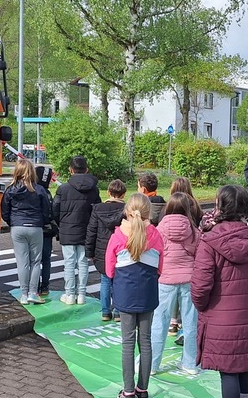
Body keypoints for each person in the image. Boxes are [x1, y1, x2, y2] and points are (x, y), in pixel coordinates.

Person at [191, 185, 248, 398]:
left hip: (218, 316)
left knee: (228, 371)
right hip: (246, 314)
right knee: (242, 366)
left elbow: (200, 285)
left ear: (220, 206)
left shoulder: (209, 240)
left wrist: (204, 307)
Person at [105, 193, 164, 398]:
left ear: (127, 213)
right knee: (145, 342)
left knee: (127, 343)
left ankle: (128, 391)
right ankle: (143, 389)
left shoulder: (117, 236)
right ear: (149, 212)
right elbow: (159, 268)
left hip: (125, 294)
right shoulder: (156, 235)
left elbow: (109, 269)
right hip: (148, 294)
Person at [150, 192, 201, 375]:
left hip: (165, 280)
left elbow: (155, 254)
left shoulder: (158, 230)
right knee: (190, 323)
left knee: (159, 323)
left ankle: (152, 365)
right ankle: (189, 363)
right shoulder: (194, 231)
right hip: (189, 280)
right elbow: (199, 256)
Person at [1, 159, 52, 305]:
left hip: (17, 227)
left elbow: (5, 210)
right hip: (35, 226)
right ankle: (33, 293)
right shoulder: (39, 190)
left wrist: (13, 222)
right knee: (35, 261)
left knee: (22, 262)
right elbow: (46, 210)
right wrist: (40, 222)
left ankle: (23, 294)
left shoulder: (10, 190)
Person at [53, 155, 101, 305]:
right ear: (87, 169)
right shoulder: (94, 189)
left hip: (67, 229)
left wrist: (60, 224)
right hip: (86, 230)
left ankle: (69, 294)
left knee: (69, 262)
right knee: (83, 262)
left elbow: (55, 208)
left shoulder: (63, 189)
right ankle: (81, 295)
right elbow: (97, 210)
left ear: (70, 170)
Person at [161, 176, 203, 339]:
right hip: (188, 266)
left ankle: (172, 323)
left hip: (168, 266)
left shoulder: (167, 210)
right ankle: (187, 336)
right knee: (189, 308)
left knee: (164, 309)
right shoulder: (195, 208)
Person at [86, 179, 126, 321]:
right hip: (121, 250)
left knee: (105, 281)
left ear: (108, 192)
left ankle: (105, 311)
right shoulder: (127, 210)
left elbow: (92, 231)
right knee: (119, 281)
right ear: (123, 194)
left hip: (101, 250)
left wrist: (89, 252)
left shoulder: (97, 209)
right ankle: (118, 311)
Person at [36, 166, 58, 295]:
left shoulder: (33, 190)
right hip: (47, 231)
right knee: (46, 259)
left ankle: (34, 286)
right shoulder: (47, 193)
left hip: (36, 229)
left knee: (34, 261)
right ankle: (45, 287)